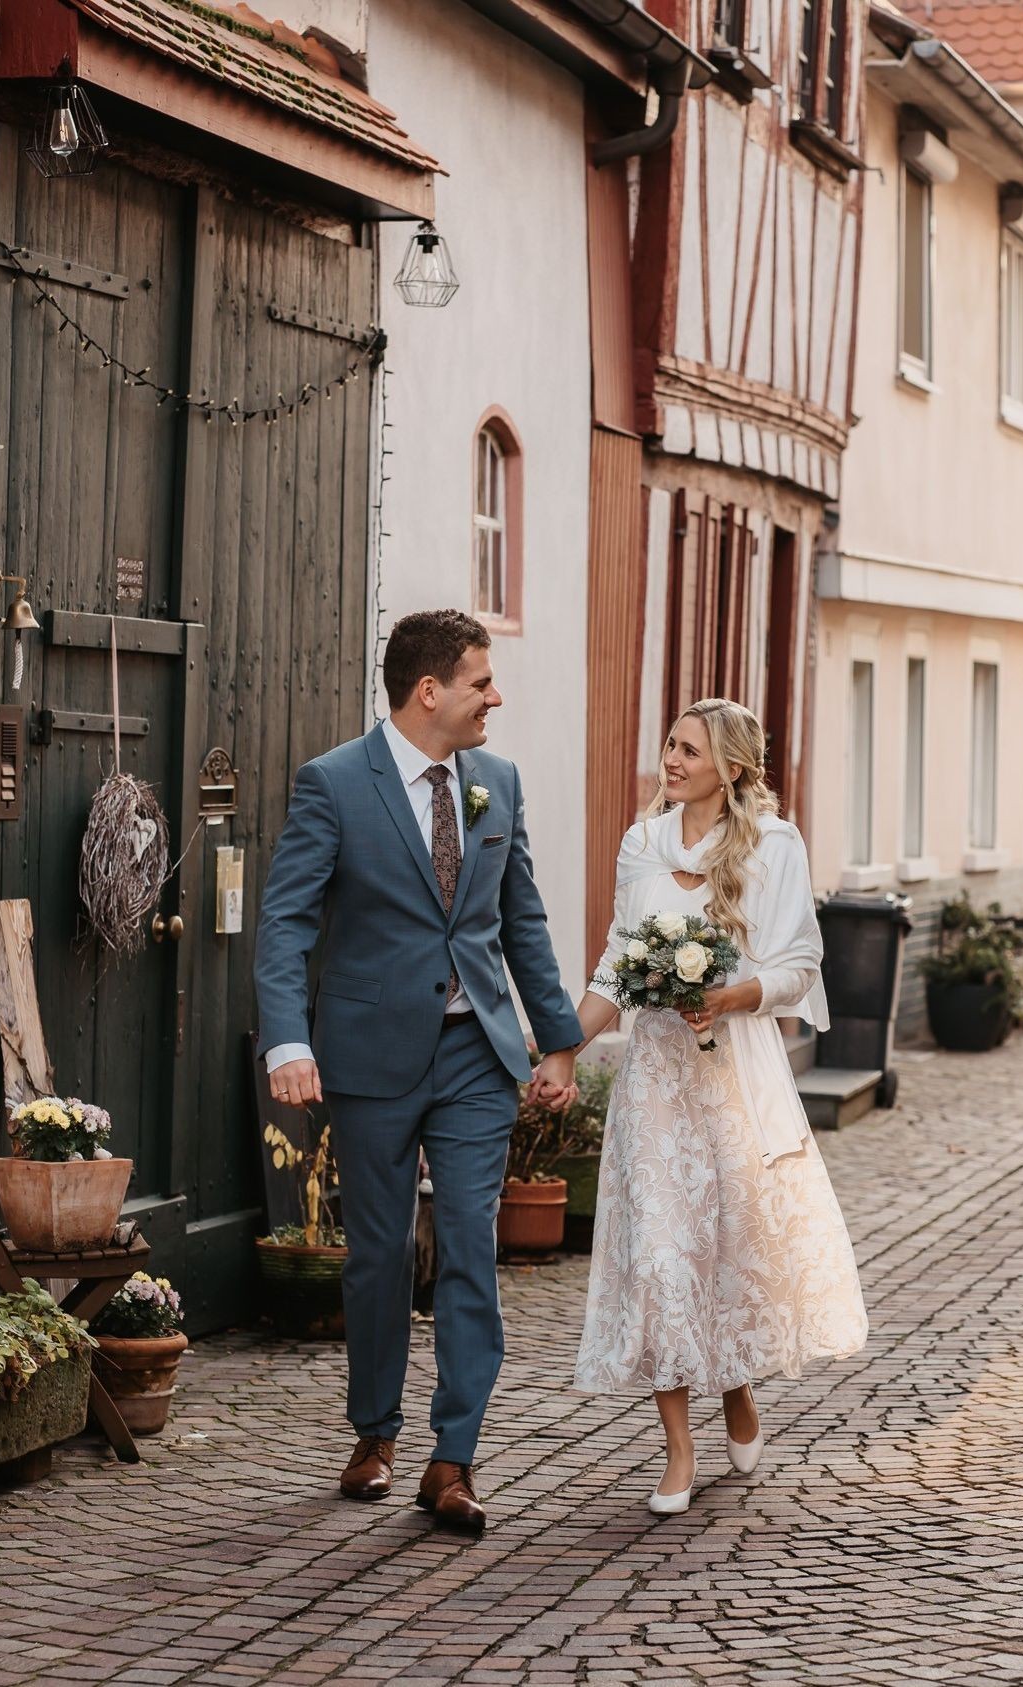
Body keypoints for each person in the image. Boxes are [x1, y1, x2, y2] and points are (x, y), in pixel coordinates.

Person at [255, 609, 582, 1535]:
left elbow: (523, 918)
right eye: (482, 680)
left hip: (475, 1052)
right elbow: (286, 925)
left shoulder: (498, 783)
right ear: (428, 689)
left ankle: (452, 1458)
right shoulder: (333, 785)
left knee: (472, 1246)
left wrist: (553, 1037)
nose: (496, 697)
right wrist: (288, 1041)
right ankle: (374, 1431)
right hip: (366, 1055)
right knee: (380, 1252)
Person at [572, 697, 868, 1514]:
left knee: (725, 1249)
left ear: (730, 768)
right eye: (669, 744)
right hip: (656, 1081)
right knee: (663, 1256)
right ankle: (676, 1446)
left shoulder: (772, 844)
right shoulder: (642, 841)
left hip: (732, 1072)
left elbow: (799, 963)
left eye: (689, 751)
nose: (670, 760)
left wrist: (733, 994)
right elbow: (613, 966)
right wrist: (560, 1045)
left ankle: (735, 1383)